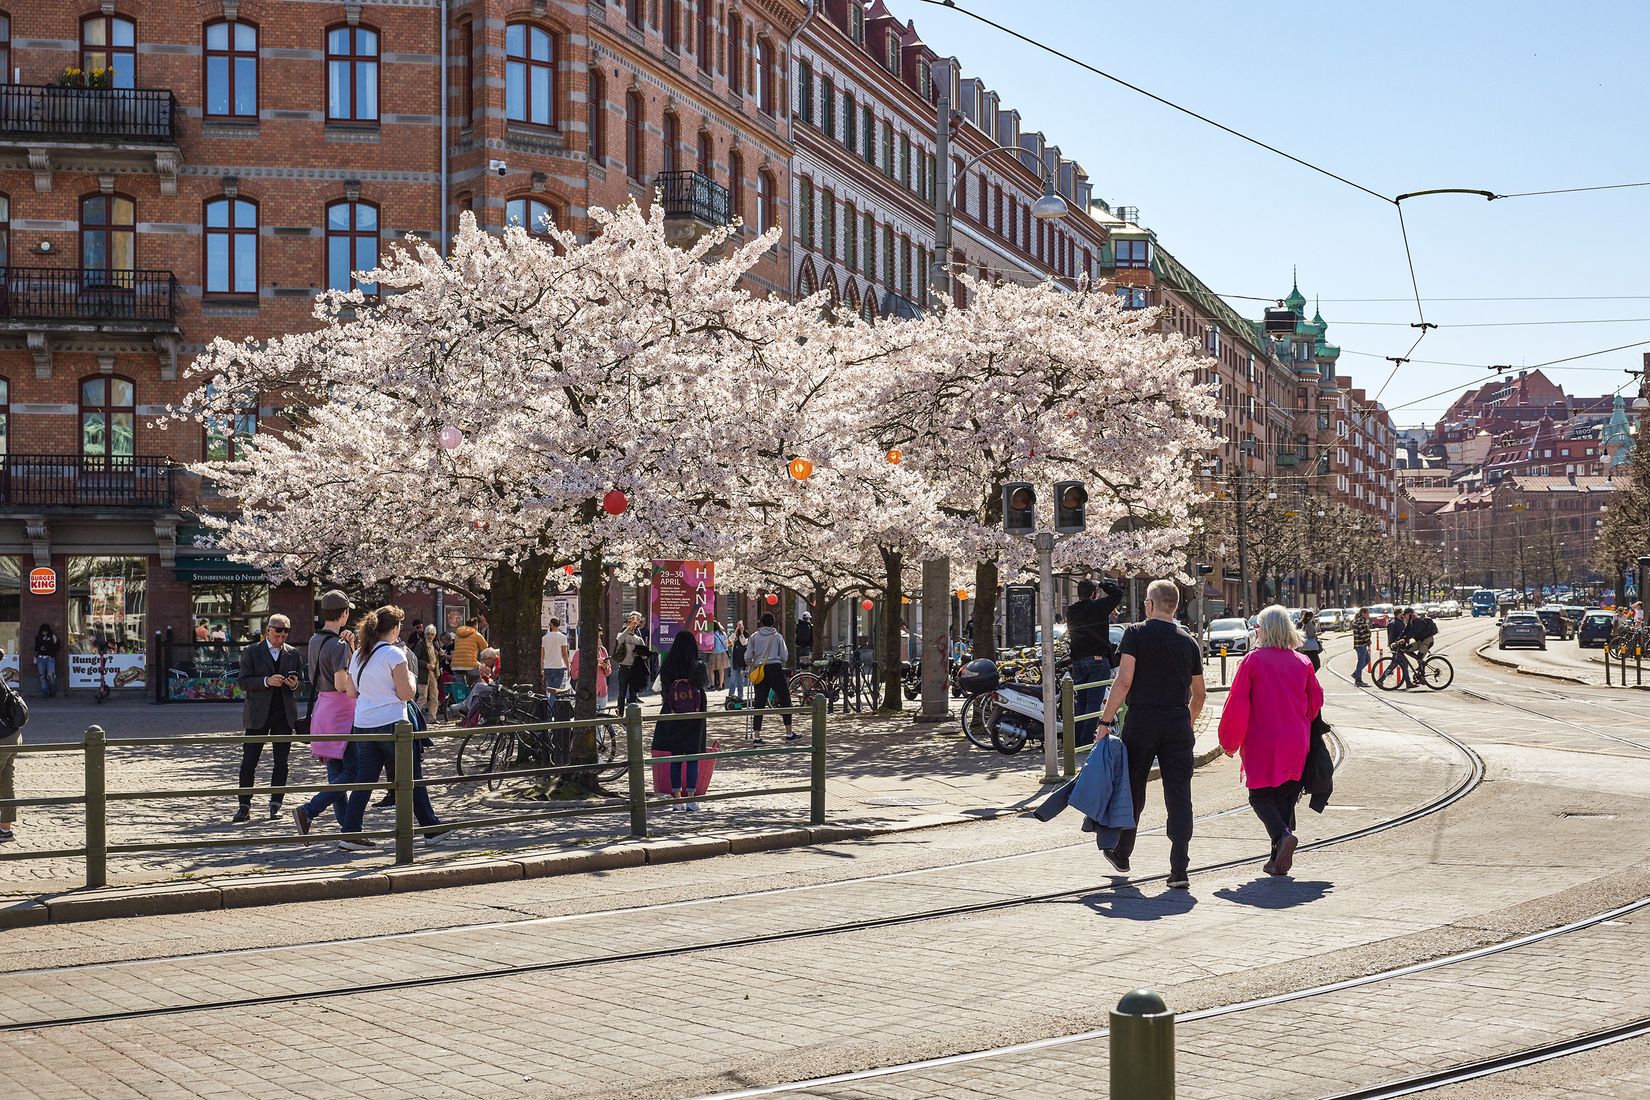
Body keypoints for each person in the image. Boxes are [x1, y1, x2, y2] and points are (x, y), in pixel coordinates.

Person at [1095, 579, 1206, 890]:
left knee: (1133, 788)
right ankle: (1179, 869)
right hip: (1176, 722)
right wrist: (1187, 723)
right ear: (1175, 606)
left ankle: (1123, 853)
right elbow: (1199, 695)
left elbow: (1124, 681)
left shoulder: (1135, 633)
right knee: (1179, 796)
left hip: (1142, 720)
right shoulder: (1189, 641)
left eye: (1145, 601)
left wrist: (1105, 722)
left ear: (1151, 605)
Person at [1217, 605, 1325, 877]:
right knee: (1285, 799)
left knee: (1260, 796)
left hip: (1262, 739)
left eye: (1258, 626)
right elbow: (1316, 702)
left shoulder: (1253, 660)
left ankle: (1280, 836)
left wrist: (1229, 740)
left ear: (1265, 630)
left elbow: (1237, 702)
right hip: (1296, 740)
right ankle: (1277, 859)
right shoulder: (1303, 662)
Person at [337, 605, 441, 851]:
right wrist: (413, 680)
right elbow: (406, 693)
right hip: (393, 723)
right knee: (411, 775)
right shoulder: (394, 654)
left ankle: (350, 831)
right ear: (394, 629)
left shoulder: (361, 654)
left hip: (363, 723)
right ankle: (430, 828)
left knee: (365, 778)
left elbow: (351, 692)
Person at [292, 591, 356, 837]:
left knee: (336, 774)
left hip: (322, 709)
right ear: (344, 614)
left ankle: (348, 829)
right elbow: (342, 684)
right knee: (353, 771)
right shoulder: (339, 644)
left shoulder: (314, 640)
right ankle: (309, 810)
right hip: (341, 712)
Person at [233, 613, 303, 823]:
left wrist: (294, 685)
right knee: (249, 761)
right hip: (258, 714)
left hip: (283, 714)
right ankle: (244, 805)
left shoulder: (293, 653)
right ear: (268, 631)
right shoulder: (252, 651)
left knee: (281, 761)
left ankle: (275, 804)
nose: (282, 636)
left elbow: (301, 684)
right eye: (278, 632)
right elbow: (243, 682)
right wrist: (266, 681)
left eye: (286, 632)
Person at [653, 632, 710, 810]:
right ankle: (691, 799)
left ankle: (677, 799)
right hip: (694, 715)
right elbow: (704, 685)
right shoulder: (698, 666)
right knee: (693, 757)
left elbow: (664, 690)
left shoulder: (668, 665)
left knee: (676, 758)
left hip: (673, 714)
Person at [1065, 577, 1124, 747]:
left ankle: (1075, 742)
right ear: (1094, 593)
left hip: (1078, 661)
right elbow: (1118, 593)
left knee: (1080, 702)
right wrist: (1101, 584)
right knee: (1093, 702)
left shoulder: (1071, 610)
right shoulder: (1099, 607)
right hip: (1097, 660)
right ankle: (1085, 742)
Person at [746, 612, 794, 744]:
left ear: (761, 623)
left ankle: (756, 736)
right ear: (773, 623)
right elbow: (784, 656)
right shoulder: (777, 636)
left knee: (759, 702)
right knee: (785, 698)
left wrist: (753, 662)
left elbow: (747, 656)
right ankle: (789, 732)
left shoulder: (754, 637)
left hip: (760, 670)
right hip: (775, 669)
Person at [569, 629, 612, 710]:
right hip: (586, 693)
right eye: (597, 637)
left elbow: (609, 672)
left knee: (601, 717)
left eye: (600, 637)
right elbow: (574, 675)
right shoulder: (579, 653)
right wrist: (592, 665)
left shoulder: (603, 650)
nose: (599, 640)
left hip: (602, 691)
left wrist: (605, 667)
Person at [613, 613, 647, 708]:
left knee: (633, 693)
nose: (631, 624)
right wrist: (628, 628)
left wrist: (639, 654)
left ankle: (632, 714)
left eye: (633, 623)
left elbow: (645, 655)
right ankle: (620, 711)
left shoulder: (638, 639)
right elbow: (619, 640)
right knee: (622, 692)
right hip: (624, 668)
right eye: (629, 622)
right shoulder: (621, 635)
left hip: (634, 669)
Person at [1401, 607, 1438, 686]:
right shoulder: (1411, 621)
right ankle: (1420, 664)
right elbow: (1405, 632)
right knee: (1406, 649)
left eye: (1405, 615)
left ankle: (1422, 676)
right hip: (1420, 641)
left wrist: (1405, 639)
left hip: (1427, 641)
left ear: (1410, 614)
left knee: (1419, 657)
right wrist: (1398, 640)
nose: (1404, 617)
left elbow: (1414, 632)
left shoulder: (1418, 621)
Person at [450, 617, 487, 689]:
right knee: (477, 682)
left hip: (456, 665)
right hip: (470, 664)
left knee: (461, 687)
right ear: (475, 625)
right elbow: (485, 647)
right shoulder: (476, 634)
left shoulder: (458, 634)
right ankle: (473, 698)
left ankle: (462, 699)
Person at [417, 624, 442, 719]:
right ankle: (415, 717)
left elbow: (437, 659)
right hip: (424, 674)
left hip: (433, 675)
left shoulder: (435, 645)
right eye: (428, 634)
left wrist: (440, 655)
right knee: (422, 697)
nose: (430, 636)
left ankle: (432, 718)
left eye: (432, 634)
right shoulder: (420, 644)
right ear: (425, 634)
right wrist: (426, 665)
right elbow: (415, 658)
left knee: (434, 697)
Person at [542, 617, 571, 692]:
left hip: (547, 667)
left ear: (551, 625)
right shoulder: (563, 637)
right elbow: (564, 653)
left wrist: (541, 668)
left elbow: (542, 655)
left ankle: (550, 703)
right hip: (559, 667)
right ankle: (553, 703)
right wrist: (568, 667)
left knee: (548, 690)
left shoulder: (544, 638)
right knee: (556, 690)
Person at [1386, 608, 1412, 687]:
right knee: (1402, 664)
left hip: (1398, 647)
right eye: (1402, 613)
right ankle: (1408, 683)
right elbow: (1395, 637)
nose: (1403, 615)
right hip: (1397, 647)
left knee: (1396, 664)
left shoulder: (1399, 622)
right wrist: (1395, 644)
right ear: (1398, 614)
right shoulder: (1395, 623)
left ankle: (1381, 679)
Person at [32, 624, 59, 698]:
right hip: (40, 658)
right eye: (43, 631)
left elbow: (56, 647)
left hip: (50, 657)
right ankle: (45, 691)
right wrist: (41, 648)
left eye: (45, 631)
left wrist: (48, 647)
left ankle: (52, 689)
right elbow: (36, 648)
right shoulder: (38, 638)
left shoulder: (52, 637)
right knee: (42, 676)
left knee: (51, 675)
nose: (44, 633)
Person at [727, 621, 749, 705]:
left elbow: (744, 643)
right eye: (739, 625)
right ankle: (730, 696)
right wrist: (736, 630)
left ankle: (740, 697)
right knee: (733, 680)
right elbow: (729, 641)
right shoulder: (734, 634)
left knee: (741, 681)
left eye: (741, 625)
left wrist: (742, 632)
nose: (740, 627)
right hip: (734, 661)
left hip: (742, 662)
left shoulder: (746, 634)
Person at [1350, 608, 1372, 687]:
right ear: (1363, 613)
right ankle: (1358, 680)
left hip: (1361, 644)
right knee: (1361, 661)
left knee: (1367, 659)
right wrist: (1368, 640)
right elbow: (1363, 635)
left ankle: (1356, 673)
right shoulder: (1360, 622)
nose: (1368, 615)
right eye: (1367, 613)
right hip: (1361, 645)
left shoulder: (1361, 621)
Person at [707, 621, 730, 690]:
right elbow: (727, 643)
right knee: (721, 670)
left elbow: (710, 645)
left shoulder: (712, 635)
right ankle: (720, 685)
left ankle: (712, 685)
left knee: (711, 669)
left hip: (715, 653)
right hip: (723, 653)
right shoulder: (723, 633)